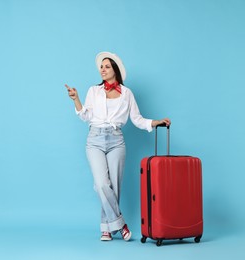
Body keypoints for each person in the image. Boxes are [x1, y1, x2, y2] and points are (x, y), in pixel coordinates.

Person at [65, 51, 171, 242]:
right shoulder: (93, 91)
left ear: (115, 69)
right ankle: (121, 224)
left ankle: (106, 229)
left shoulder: (127, 94)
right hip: (95, 139)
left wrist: (156, 122)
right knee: (101, 184)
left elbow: (137, 120)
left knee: (114, 186)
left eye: (106, 66)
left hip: (117, 141)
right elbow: (86, 116)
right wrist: (76, 99)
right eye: (101, 67)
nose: (102, 70)